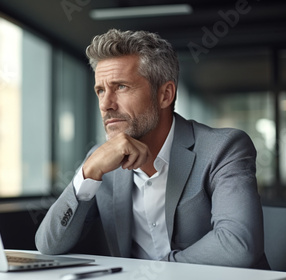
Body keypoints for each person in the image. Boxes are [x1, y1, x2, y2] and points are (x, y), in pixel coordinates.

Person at [35, 29, 270, 269]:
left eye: (121, 87)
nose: (106, 104)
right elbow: (49, 245)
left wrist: (155, 271)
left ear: (165, 95)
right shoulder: (102, 160)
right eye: (100, 90)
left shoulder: (223, 148)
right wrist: (87, 174)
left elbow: (238, 245)